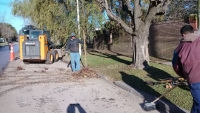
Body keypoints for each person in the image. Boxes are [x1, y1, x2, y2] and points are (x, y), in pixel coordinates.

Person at [172, 25, 200, 113]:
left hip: (194, 79)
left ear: (183, 35)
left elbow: (176, 66)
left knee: (198, 103)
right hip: (195, 79)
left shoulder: (179, 48)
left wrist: (185, 75)